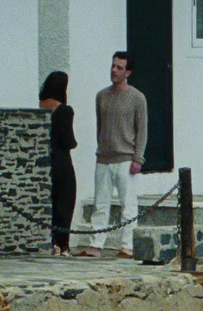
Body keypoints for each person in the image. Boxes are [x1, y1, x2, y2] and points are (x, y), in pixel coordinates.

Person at [80, 51, 147, 258]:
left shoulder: (137, 98)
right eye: (113, 66)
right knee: (100, 205)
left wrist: (138, 158)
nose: (114, 70)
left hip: (126, 158)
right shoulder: (101, 96)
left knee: (128, 205)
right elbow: (101, 126)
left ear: (128, 72)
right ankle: (96, 245)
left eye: (119, 67)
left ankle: (127, 246)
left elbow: (142, 130)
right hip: (104, 158)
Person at [39, 71, 78, 256]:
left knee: (52, 202)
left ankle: (52, 243)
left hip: (47, 160)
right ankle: (63, 245)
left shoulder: (41, 107)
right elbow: (68, 141)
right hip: (62, 161)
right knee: (65, 202)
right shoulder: (65, 110)